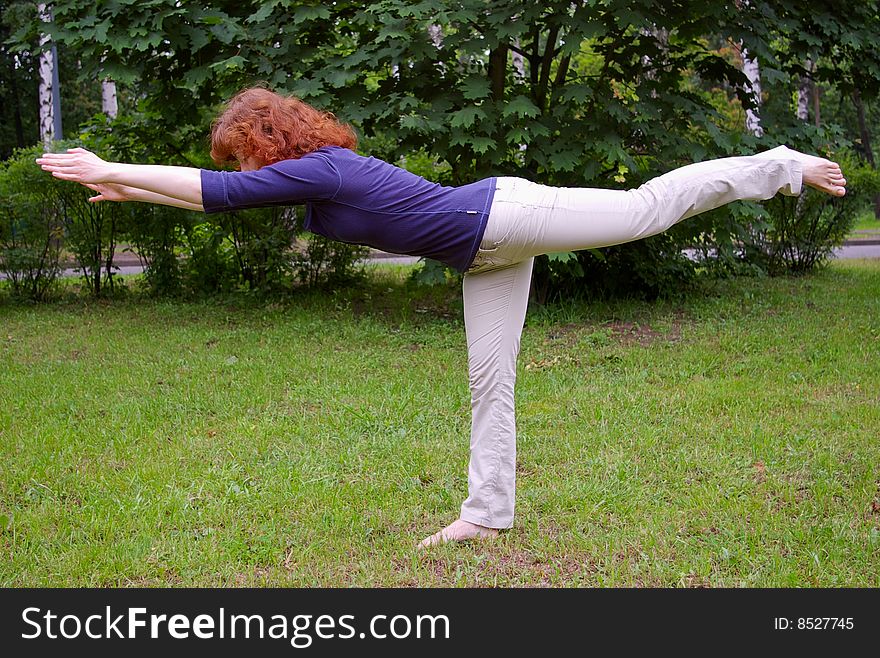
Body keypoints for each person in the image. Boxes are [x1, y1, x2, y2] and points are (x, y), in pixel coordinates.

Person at [36, 87, 847, 549]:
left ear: (267, 139)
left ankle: (780, 164)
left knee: (642, 211)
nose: (240, 167)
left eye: (243, 151)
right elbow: (223, 202)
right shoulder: (311, 178)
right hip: (482, 254)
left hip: (503, 215)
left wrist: (111, 165)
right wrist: (128, 189)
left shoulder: (320, 165)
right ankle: (486, 516)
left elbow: (220, 193)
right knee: (488, 384)